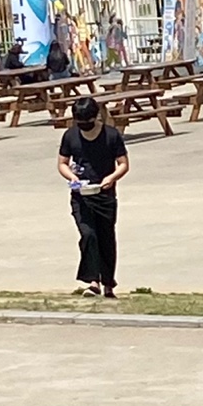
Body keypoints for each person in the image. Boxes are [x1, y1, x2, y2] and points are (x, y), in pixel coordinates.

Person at [57, 96, 128, 298]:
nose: (84, 126)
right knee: (88, 235)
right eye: (80, 122)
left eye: (87, 122)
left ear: (96, 116)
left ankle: (108, 284)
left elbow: (123, 164)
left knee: (106, 238)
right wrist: (72, 177)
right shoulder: (70, 136)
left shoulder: (111, 135)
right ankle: (93, 281)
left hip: (104, 195)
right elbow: (62, 163)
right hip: (81, 195)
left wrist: (111, 178)